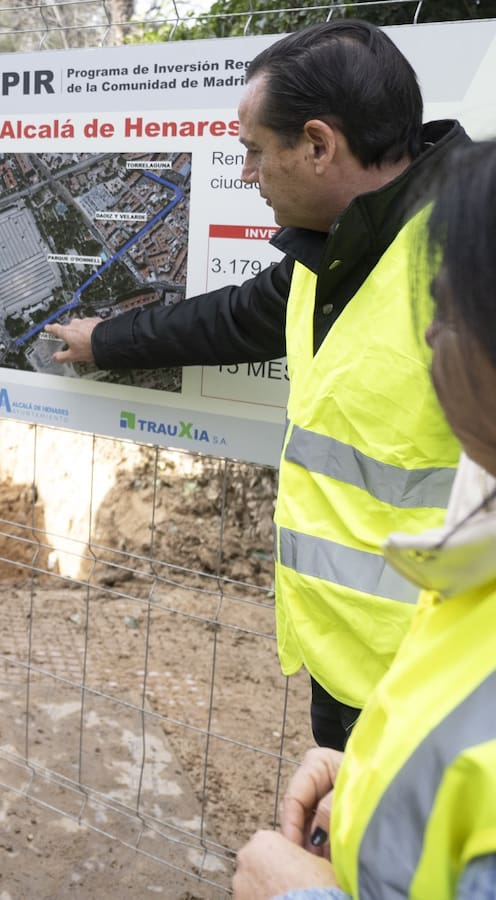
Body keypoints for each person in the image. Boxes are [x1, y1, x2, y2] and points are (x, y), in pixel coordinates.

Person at [44, 19, 469, 751]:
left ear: (317, 144)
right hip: (349, 664)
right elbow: (234, 319)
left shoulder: (468, 265)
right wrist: (105, 339)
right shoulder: (338, 251)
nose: (245, 174)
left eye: (251, 153)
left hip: (438, 691)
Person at [232, 139, 496, 900]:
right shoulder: (471, 579)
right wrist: (376, 775)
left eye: (449, 307)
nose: (426, 335)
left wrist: (294, 894)